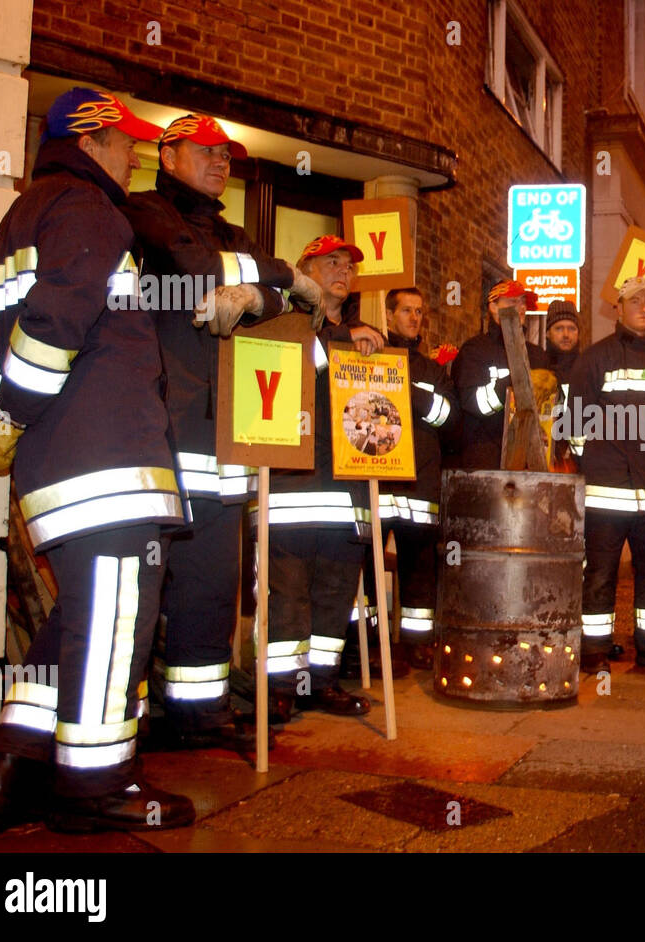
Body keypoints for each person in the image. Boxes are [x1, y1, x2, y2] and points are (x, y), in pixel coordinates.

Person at [0, 88, 192, 830]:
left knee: (80, 617)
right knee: (120, 615)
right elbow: (58, 320)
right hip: (108, 463)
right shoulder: (90, 211)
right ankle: (98, 784)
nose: (135, 156)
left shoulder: (15, 224)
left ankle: (14, 760)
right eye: (126, 143)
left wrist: (3, 420)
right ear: (91, 140)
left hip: (55, 467)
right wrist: (15, 411)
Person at [122, 113, 325, 746]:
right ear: (169, 155)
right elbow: (191, 264)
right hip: (161, 430)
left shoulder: (234, 230)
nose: (221, 162)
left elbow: (285, 299)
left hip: (224, 438)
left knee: (210, 585)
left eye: (227, 155)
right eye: (207, 151)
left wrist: (262, 296)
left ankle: (198, 713)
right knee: (143, 584)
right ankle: (122, 717)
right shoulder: (144, 211)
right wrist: (278, 278)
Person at [260, 236, 381, 721]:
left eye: (349, 265)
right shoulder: (280, 318)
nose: (343, 271)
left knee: (336, 592)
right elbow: (291, 357)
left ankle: (322, 681)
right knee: (288, 593)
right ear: (303, 268)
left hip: (347, 487)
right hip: (293, 484)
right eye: (331, 262)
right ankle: (281, 688)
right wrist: (345, 343)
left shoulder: (363, 337)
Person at [569, 276, 645, 674]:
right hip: (606, 493)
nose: (643, 308)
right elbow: (575, 422)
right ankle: (593, 649)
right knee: (599, 573)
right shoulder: (595, 358)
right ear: (617, 308)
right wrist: (597, 465)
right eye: (635, 302)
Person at [376, 285, 459, 671]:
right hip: (376, 483)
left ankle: (417, 644)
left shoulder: (431, 370)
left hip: (419, 487)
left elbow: (448, 417)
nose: (414, 318)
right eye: (406, 310)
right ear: (389, 314)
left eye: (419, 311)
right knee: (368, 570)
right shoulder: (370, 359)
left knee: (419, 572)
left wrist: (402, 391)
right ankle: (370, 646)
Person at [452, 279, 550, 470]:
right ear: (494, 307)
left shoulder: (537, 355)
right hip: (485, 461)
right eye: (513, 302)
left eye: (523, 302)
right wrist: (514, 381)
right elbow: (472, 403)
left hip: (529, 464)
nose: (521, 307)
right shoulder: (475, 351)